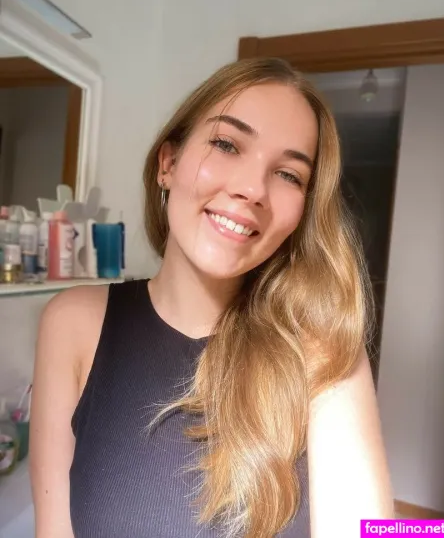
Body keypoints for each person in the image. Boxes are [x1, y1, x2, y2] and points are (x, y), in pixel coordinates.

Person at [30, 57, 394, 538]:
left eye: (289, 175)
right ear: (168, 163)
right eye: (226, 144)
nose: (252, 189)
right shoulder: (72, 323)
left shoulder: (323, 353)